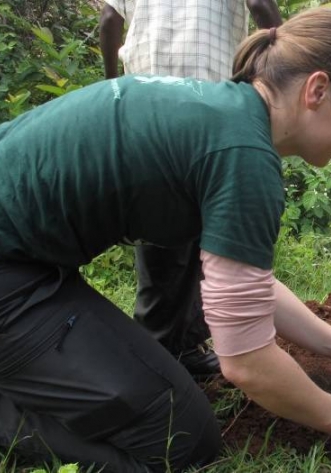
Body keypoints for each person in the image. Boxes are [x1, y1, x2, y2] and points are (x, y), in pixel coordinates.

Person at [0, 7, 331, 472]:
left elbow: (247, 289)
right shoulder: (241, 155)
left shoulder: (223, 116)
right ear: (318, 89)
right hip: (5, 272)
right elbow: (247, 362)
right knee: (179, 438)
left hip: (26, 261)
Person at [99, 0, 283, 378]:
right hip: (208, 101)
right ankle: (157, 357)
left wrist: (111, 82)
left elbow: (108, 21)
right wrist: (288, 54)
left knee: (172, 224)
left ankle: (184, 346)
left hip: (144, 100)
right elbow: (261, 5)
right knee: (195, 229)